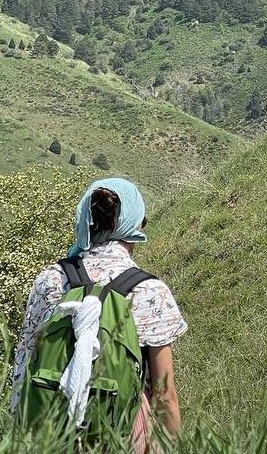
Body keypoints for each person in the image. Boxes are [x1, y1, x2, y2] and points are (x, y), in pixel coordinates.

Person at [12, 178, 185, 452]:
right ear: (134, 227)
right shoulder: (150, 291)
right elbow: (165, 396)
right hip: (123, 432)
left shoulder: (50, 280)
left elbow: (24, 363)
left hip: (52, 430)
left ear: (84, 221)